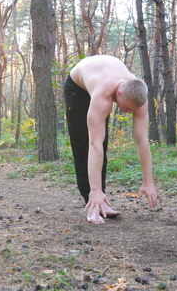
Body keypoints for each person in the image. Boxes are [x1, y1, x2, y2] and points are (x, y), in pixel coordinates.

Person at [63, 55, 159, 224]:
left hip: (102, 75)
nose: (127, 112)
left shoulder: (138, 95)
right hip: (77, 88)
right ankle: (92, 201)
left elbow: (142, 140)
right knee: (85, 143)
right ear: (120, 92)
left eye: (131, 110)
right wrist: (94, 190)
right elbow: (95, 145)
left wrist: (148, 182)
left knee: (103, 143)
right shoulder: (103, 95)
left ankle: (102, 199)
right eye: (127, 108)